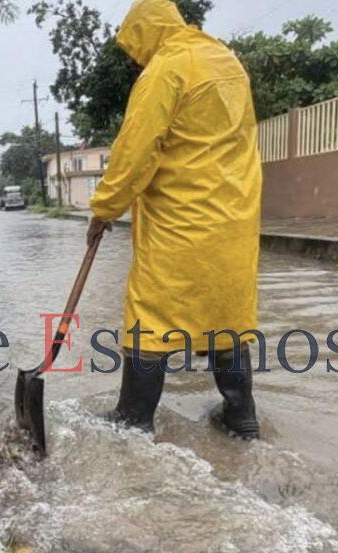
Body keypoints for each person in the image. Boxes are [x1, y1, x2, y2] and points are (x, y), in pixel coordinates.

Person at [86, 0, 262, 439]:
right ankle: (242, 419)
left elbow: (135, 152)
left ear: (148, 33)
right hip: (235, 223)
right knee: (228, 318)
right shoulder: (227, 61)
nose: (135, 58)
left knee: (150, 319)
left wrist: (104, 209)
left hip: (180, 226)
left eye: (135, 47)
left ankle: (132, 422)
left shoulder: (166, 69)